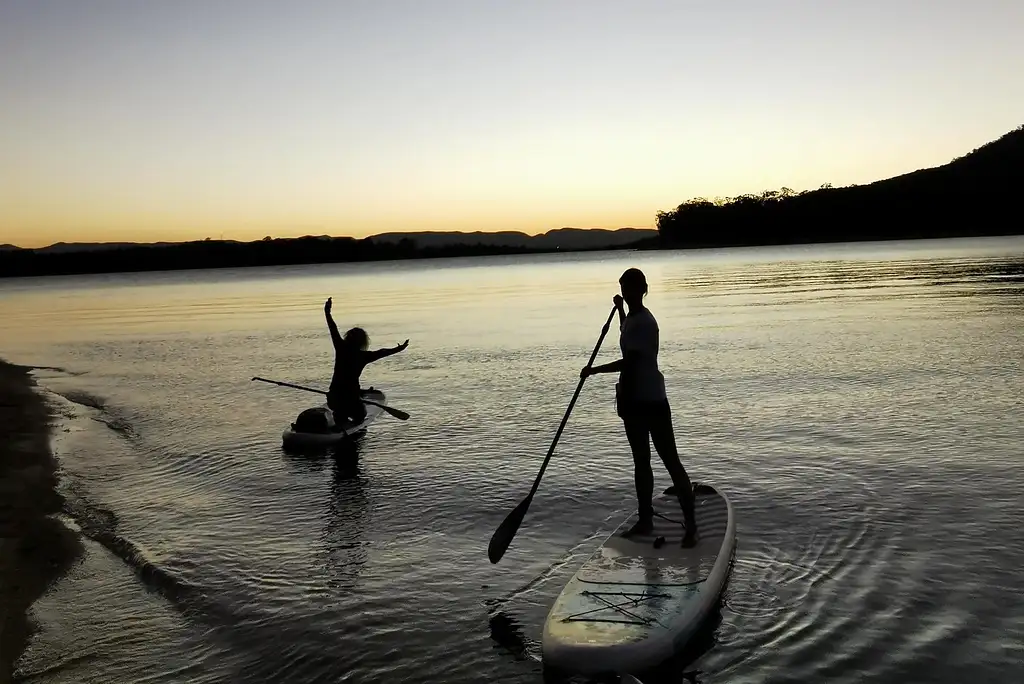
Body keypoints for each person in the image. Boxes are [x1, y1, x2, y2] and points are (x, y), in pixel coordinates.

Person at [580, 268, 699, 548]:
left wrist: (594, 371)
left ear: (643, 289)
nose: (625, 292)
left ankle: (691, 527)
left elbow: (631, 360)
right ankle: (645, 519)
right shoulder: (632, 318)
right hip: (632, 402)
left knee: (671, 461)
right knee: (641, 462)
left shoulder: (645, 322)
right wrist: (621, 310)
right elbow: (625, 333)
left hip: (652, 401)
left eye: (631, 288)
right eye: (623, 288)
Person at [323, 297, 408, 425]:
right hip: (351, 399)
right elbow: (383, 352)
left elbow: (332, 328)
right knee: (361, 415)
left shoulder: (341, 348)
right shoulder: (364, 356)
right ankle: (344, 418)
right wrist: (399, 348)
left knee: (342, 408)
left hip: (333, 399)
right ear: (363, 342)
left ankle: (339, 416)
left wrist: (327, 312)